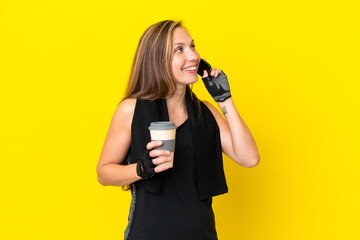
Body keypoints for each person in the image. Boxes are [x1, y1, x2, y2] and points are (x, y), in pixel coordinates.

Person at [96, 19, 260, 240]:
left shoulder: (206, 112)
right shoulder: (131, 110)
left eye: (192, 46)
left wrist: (224, 99)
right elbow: (104, 173)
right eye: (179, 50)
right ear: (157, 60)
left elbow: (249, 158)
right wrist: (141, 169)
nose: (193, 56)